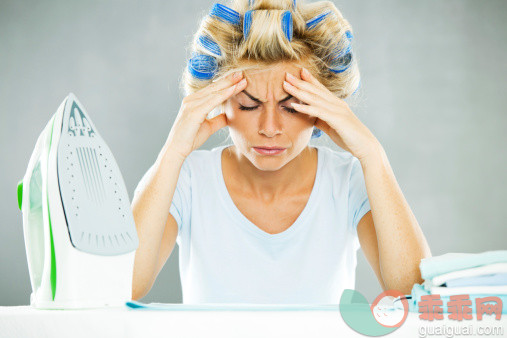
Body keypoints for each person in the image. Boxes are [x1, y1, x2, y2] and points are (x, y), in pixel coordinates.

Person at [131, 0, 431, 303]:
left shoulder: (347, 180)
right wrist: (172, 153)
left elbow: (414, 292)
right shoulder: (189, 179)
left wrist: (372, 155)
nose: (270, 128)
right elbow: (122, 286)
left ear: (321, 105)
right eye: (249, 104)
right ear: (219, 99)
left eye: (291, 106)